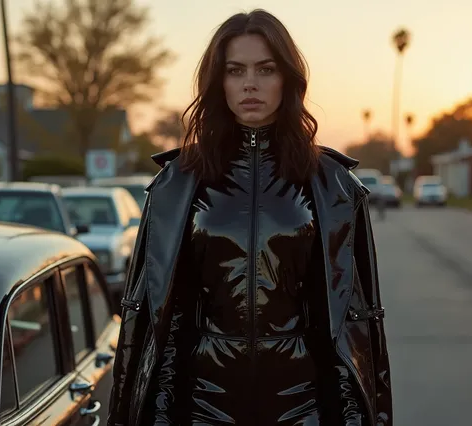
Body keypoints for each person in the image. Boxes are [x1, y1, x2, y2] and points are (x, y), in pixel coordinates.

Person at [107, 9, 392, 426]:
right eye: (235, 70)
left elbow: (352, 323)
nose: (250, 83)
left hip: (304, 404)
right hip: (203, 403)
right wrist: (161, 415)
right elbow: (163, 319)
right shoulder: (178, 183)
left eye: (266, 69)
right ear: (218, 81)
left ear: (287, 79)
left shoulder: (333, 185)